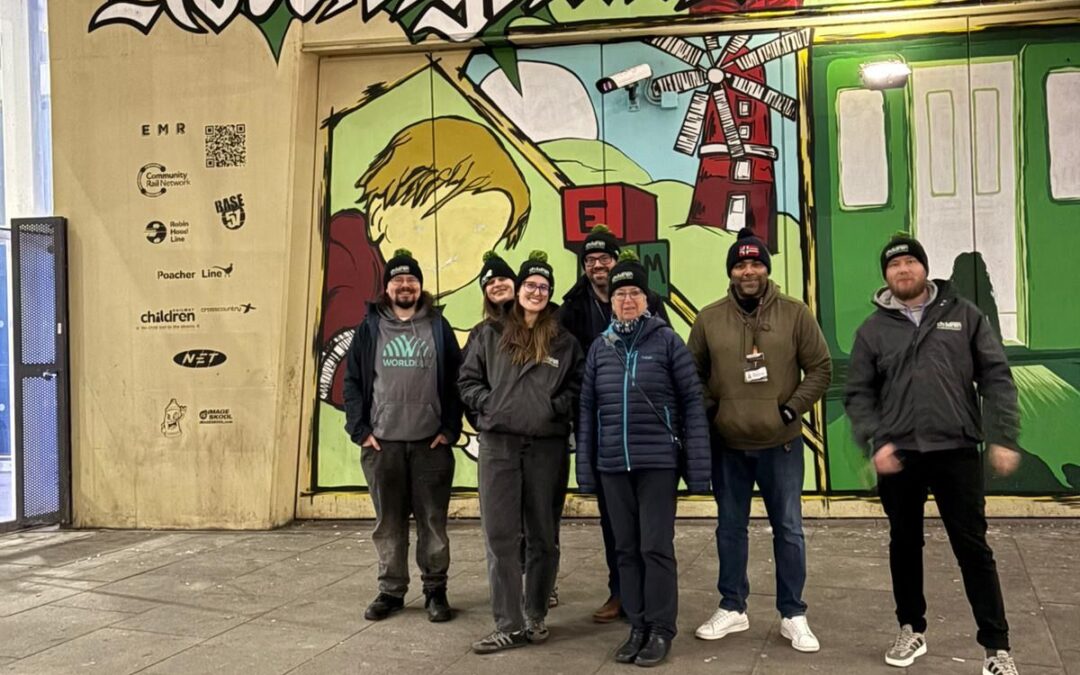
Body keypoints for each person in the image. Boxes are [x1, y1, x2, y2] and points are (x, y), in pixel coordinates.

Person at [844, 235, 1022, 675]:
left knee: (973, 549)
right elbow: (859, 394)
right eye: (894, 266)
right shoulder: (872, 330)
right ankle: (911, 628)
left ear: (924, 268)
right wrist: (876, 442)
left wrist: (1003, 435)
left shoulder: (964, 315)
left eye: (910, 262)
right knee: (904, 545)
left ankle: (996, 649)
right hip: (900, 455)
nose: (903, 270)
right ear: (885, 275)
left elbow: (997, 376)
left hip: (955, 450)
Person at [688, 227, 832, 653]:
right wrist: (713, 410)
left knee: (788, 530)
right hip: (728, 447)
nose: (748, 270)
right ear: (730, 271)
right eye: (740, 264)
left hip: (781, 444)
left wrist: (789, 409)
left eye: (755, 263)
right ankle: (732, 607)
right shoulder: (709, 317)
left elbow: (821, 368)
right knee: (730, 529)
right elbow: (691, 373)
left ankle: (793, 614)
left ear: (766, 269)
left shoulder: (794, 313)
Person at [577, 250, 711, 667]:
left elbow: (692, 402)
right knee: (626, 549)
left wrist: (699, 470)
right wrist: (586, 470)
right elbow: (587, 411)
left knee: (655, 546)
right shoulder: (601, 348)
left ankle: (660, 629)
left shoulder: (667, 341)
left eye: (635, 292)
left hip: (657, 464)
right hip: (613, 465)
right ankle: (636, 625)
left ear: (648, 299)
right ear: (611, 301)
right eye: (620, 293)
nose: (628, 299)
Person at [458, 250, 585, 653]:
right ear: (518, 291)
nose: (535, 292)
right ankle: (508, 623)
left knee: (543, 536)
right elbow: (466, 382)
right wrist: (489, 405)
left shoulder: (564, 341)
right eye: (530, 284)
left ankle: (535, 616)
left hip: (546, 448)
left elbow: (578, 387)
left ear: (549, 295)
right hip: (499, 446)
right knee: (500, 536)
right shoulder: (488, 335)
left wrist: (554, 407)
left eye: (543, 287)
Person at [342, 248, 464, 623]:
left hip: (430, 444)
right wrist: (360, 431)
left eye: (411, 280)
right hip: (383, 445)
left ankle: (435, 591)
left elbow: (457, 381)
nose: (405, 285)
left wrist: (449, 430)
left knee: (432, 523)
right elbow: (353, 382)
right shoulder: (370, 328)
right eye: (398, 280)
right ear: (388, 288)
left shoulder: (438, 326)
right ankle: (391, 591)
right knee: (389, 524)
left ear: (420, 287)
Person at [559, 223, 668, 623]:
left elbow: (669, 354)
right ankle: (620, 592)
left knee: (651, 527)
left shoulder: (649, 300)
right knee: (615, 522)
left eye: (604, 257)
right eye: (590, 260)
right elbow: (567, 370)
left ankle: (651, 601)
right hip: (603, 429)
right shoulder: (571, 308)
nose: (597, 265)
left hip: (646, 427)